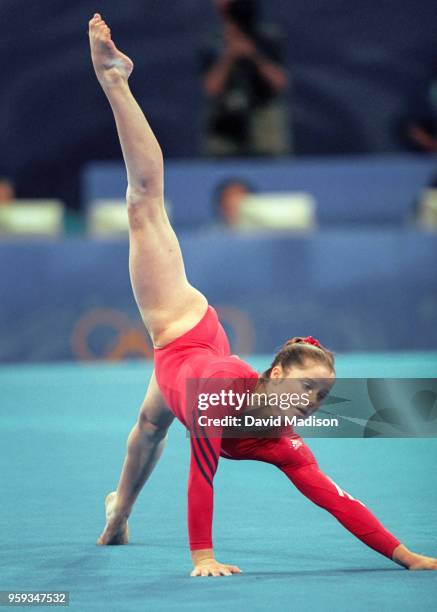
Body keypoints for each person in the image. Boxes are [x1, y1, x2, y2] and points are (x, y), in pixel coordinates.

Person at [89, 14, 437, 576]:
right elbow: (201, 473)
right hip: (183, 330)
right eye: (305, 387)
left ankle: (117, 514)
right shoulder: (216, 395)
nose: (312, 402)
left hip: (191, 365)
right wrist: (203, 557)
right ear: (274, 375)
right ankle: (115, 80)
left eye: (321, 395)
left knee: (151, 428)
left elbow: (336, 499)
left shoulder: (282, 441)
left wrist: (409, 557)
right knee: (142, 203)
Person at [200, 0, 290, 156]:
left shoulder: (267, 37)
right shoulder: (211, 40)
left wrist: (253, 54)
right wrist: (229, 55)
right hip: (223, 121)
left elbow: (279, 82)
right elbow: (211, 88)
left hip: (264, 120)